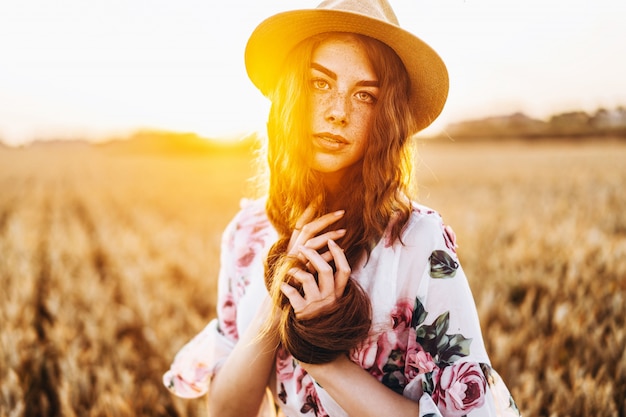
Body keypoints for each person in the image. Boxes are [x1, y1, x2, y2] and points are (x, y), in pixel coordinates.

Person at [163, 0, 521, 416]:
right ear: (292, 92)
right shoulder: (247, 234)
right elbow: (225, 411)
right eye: (320, 84)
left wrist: (320, 354)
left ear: (386, 115)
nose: (338, 112)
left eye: (365, 95)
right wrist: (276, 306)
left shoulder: (419, 242)